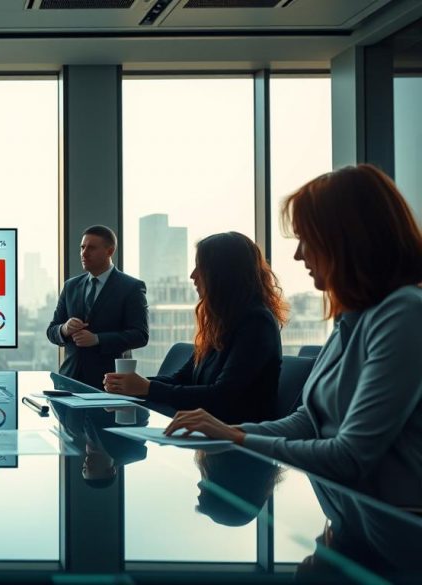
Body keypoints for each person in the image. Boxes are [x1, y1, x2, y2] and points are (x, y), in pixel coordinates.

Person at [165, 164, 422, 510]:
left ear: (346, 239)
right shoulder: (353, 319)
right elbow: (306, 420)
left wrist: (237, 436)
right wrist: (228, 430)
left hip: (393, 529)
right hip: (349, 515)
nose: (299, 254)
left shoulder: (405, 314)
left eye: (306, 239)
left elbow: (349, 456)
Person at [104, 232, 287, 424]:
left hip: (238, 440)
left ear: (224, 273)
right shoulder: (221, 322)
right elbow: (183, 378)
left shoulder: (256, 322)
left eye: (201, 267)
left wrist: (147, 388)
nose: (193, 275)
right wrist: (129, 384)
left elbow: (222, 396)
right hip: (210, 433)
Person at [47, 225, 149, 389]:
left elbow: (140, 335)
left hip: (109, 384)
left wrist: (97, 339)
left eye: (91, 248)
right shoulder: (70, 286)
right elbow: (51, 331)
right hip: (69, 382)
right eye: (82, 247)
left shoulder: (131, 287)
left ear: (110, 251)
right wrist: (64, 329)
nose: (84, 253)